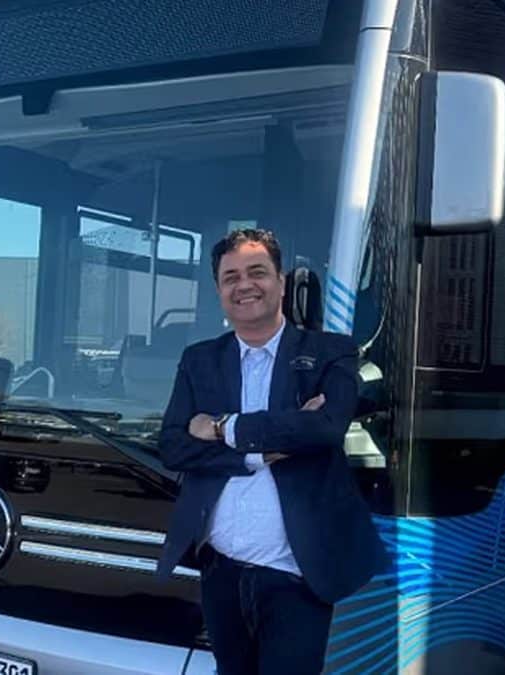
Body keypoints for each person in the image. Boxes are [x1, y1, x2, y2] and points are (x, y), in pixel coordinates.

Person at [156, 228, 389, 675]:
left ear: (281, 282)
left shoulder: (330, 352)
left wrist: (223, 427)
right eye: (231, 277)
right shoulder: (199, 360)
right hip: (222, 569)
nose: (244, 285)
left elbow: (324, 428)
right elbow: (173, 446)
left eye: (257, 272)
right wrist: (259, 451)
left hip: (296, 574)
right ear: (219, 291)